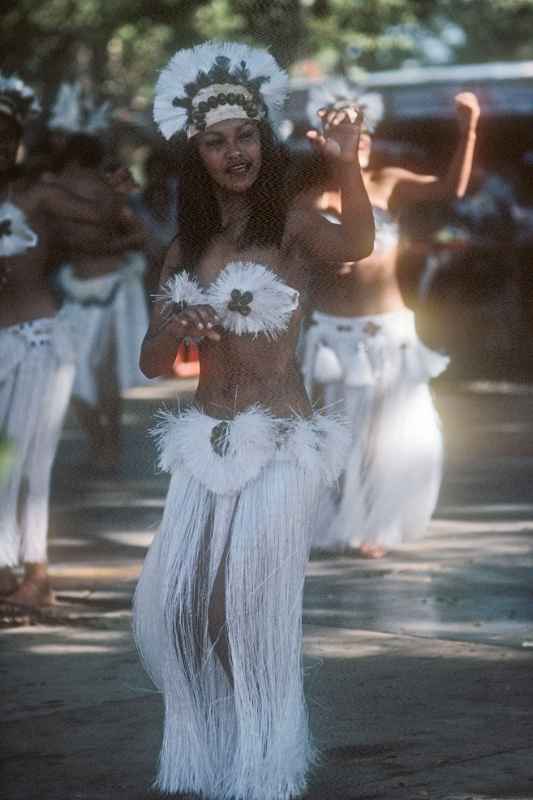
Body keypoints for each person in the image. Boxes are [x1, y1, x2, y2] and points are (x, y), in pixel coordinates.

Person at [132, 41, 374, 800]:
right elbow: (149, 359)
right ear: (195, 154)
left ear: (262, 143)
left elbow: (359, 244)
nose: (232, 152)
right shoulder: (187, 246)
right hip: (207, 442)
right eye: (215, 141)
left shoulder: (295, 225)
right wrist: (181, 325)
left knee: (240, 611)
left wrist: (347, 164)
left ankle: (266, 763)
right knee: (177, 617)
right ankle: (227, 747)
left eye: (243, 136)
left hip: (278, 440)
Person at [301, 82, 480, 558]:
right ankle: (339, 514)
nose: (356, 140)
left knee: (385, 431)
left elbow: (451, 189)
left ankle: (376, 522)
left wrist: (469, 130)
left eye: (361, 132)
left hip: (387, 328)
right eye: (342, 131)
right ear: (322, 139)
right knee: (337, 430)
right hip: (332, 336)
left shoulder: (390, 184)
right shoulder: (313, 201)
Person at [0, 75, 128, 606]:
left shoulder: (39, 194)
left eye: (8, 137)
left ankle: (37, 573)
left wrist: (114, 193)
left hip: (38, 343)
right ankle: (6, 566)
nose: (1, 147)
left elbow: (100, 219)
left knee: (31, 461)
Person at [54, 133, 148, 471]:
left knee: (95, 372)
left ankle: (108, 447)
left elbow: (139, 234)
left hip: (109, 287)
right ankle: (104, 445)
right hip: (76, 289)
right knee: (76, 372)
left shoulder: (98, 190)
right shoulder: (60, 190)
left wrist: (104, 248)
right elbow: (139, 234)